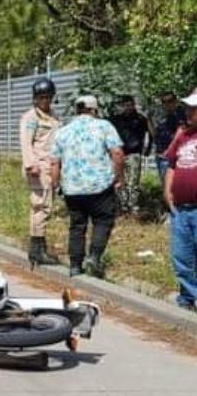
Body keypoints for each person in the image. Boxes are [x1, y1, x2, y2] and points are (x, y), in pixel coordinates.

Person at [50, 95, 124, 278]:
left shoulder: (62, 131)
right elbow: (117, 152)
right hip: (100, 187)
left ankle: (75, 266)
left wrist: (56, 185)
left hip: (72, 189)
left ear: (76, 110)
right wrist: (119, 177)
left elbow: (54, 163)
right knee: (103, 220)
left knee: (77, 226)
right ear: (94, 109)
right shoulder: (104, 126)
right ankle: (94, 256)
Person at [19, 77, 62, 267]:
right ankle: (37, 249)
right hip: (37, 167)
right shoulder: (31, 117)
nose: (45, 101)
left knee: (46, 206)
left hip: (50, 166)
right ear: (35, 98)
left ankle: (38, 247)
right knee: (40, 206)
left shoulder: (53, 116)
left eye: (48, 97)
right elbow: (25, 143)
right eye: (41, 98)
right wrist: (31, 165)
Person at [162, 89, 197, 312]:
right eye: (189, 108)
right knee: (181, 256)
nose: (189, 112)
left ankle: (190, 296)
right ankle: (188, 297)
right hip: (181, 209)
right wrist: (168, 192)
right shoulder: (183, 136)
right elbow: (172, 164)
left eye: (193, 108)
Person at [109, 94, 152, 215]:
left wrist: (147, 148)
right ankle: (123, 208)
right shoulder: (117, 119)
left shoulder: (140, 118)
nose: (127, 107)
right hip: (119, 154)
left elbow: (151, 134)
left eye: (130, 104)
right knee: (119, 182)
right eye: (125, 105)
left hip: (134, 153)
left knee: (133, 183)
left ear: (133, 104)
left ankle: (133, 208)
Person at [155, 91, 186, 183]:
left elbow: (181, 134)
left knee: (177, 186)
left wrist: (170, 151)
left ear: (175, 101)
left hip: (175, 156)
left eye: (170, 101)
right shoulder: (161, 117)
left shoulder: (182, 115)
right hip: (161, 155)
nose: (167, 104)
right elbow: (156, 136)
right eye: (164, 102)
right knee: (166, 185)